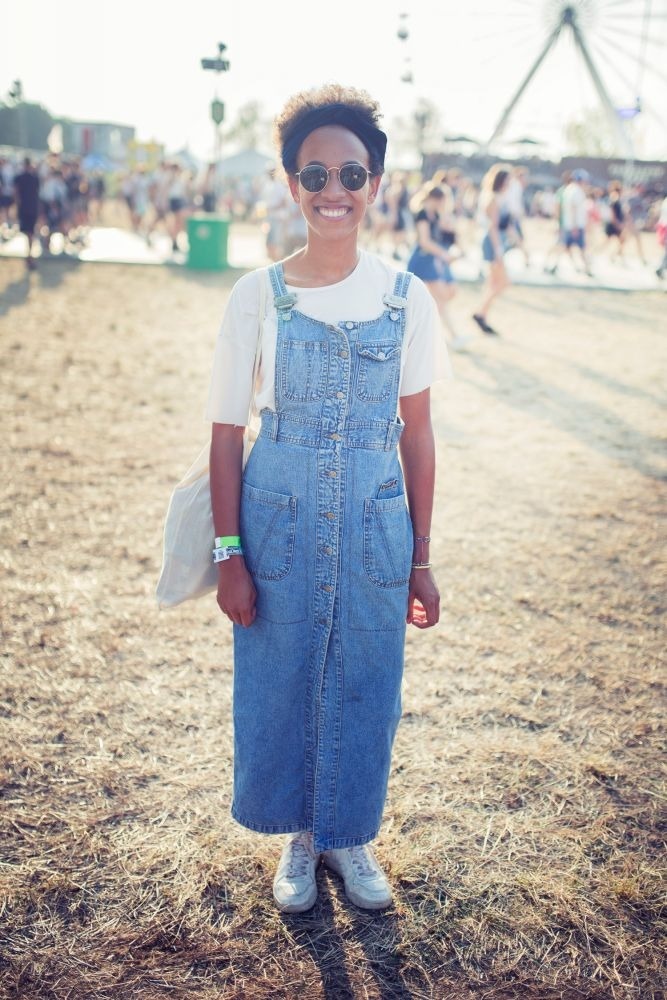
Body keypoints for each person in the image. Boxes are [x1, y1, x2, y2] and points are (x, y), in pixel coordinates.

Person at [205, 84, 444, 914]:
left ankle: (348, 836)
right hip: (278, 521)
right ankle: (300, 839)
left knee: (367, 678)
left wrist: (419, 558)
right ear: (290, 183)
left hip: (379, 525)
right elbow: (225, 435)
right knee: (282, 671)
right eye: (314, 175)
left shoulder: (407, 298)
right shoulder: (255, 297)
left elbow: (417, 435)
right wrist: (228, 555)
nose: (332, 190)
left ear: (374, 182)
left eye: (351, 172)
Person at [407, 185, 469, 350]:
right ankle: (453, 337)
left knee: (446, 295)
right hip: (423, 260)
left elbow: (448, 235)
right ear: (435, 199)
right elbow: (424, 242)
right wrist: (444, 254)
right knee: (439, 299)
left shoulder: (436, 215)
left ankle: (430, 333)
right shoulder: (423, 214)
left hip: (433, 260)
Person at [473, 164, 514, 336]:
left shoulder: (498, 198)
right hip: (492, 243)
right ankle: (480, 313)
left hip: (495, 242)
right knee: (502, 282)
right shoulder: (493, 199)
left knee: (494, 282)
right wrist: (498, 250)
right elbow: (493, 227)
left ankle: (481, 314)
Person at [13, 157, 40, 270]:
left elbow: (16, 194)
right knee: (30, 233)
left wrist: (16, 207)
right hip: (32, 207)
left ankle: (29, 255)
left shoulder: (19, 178)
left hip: (25, 208)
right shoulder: (35, 178)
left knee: (28, 232)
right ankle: (29, 255)